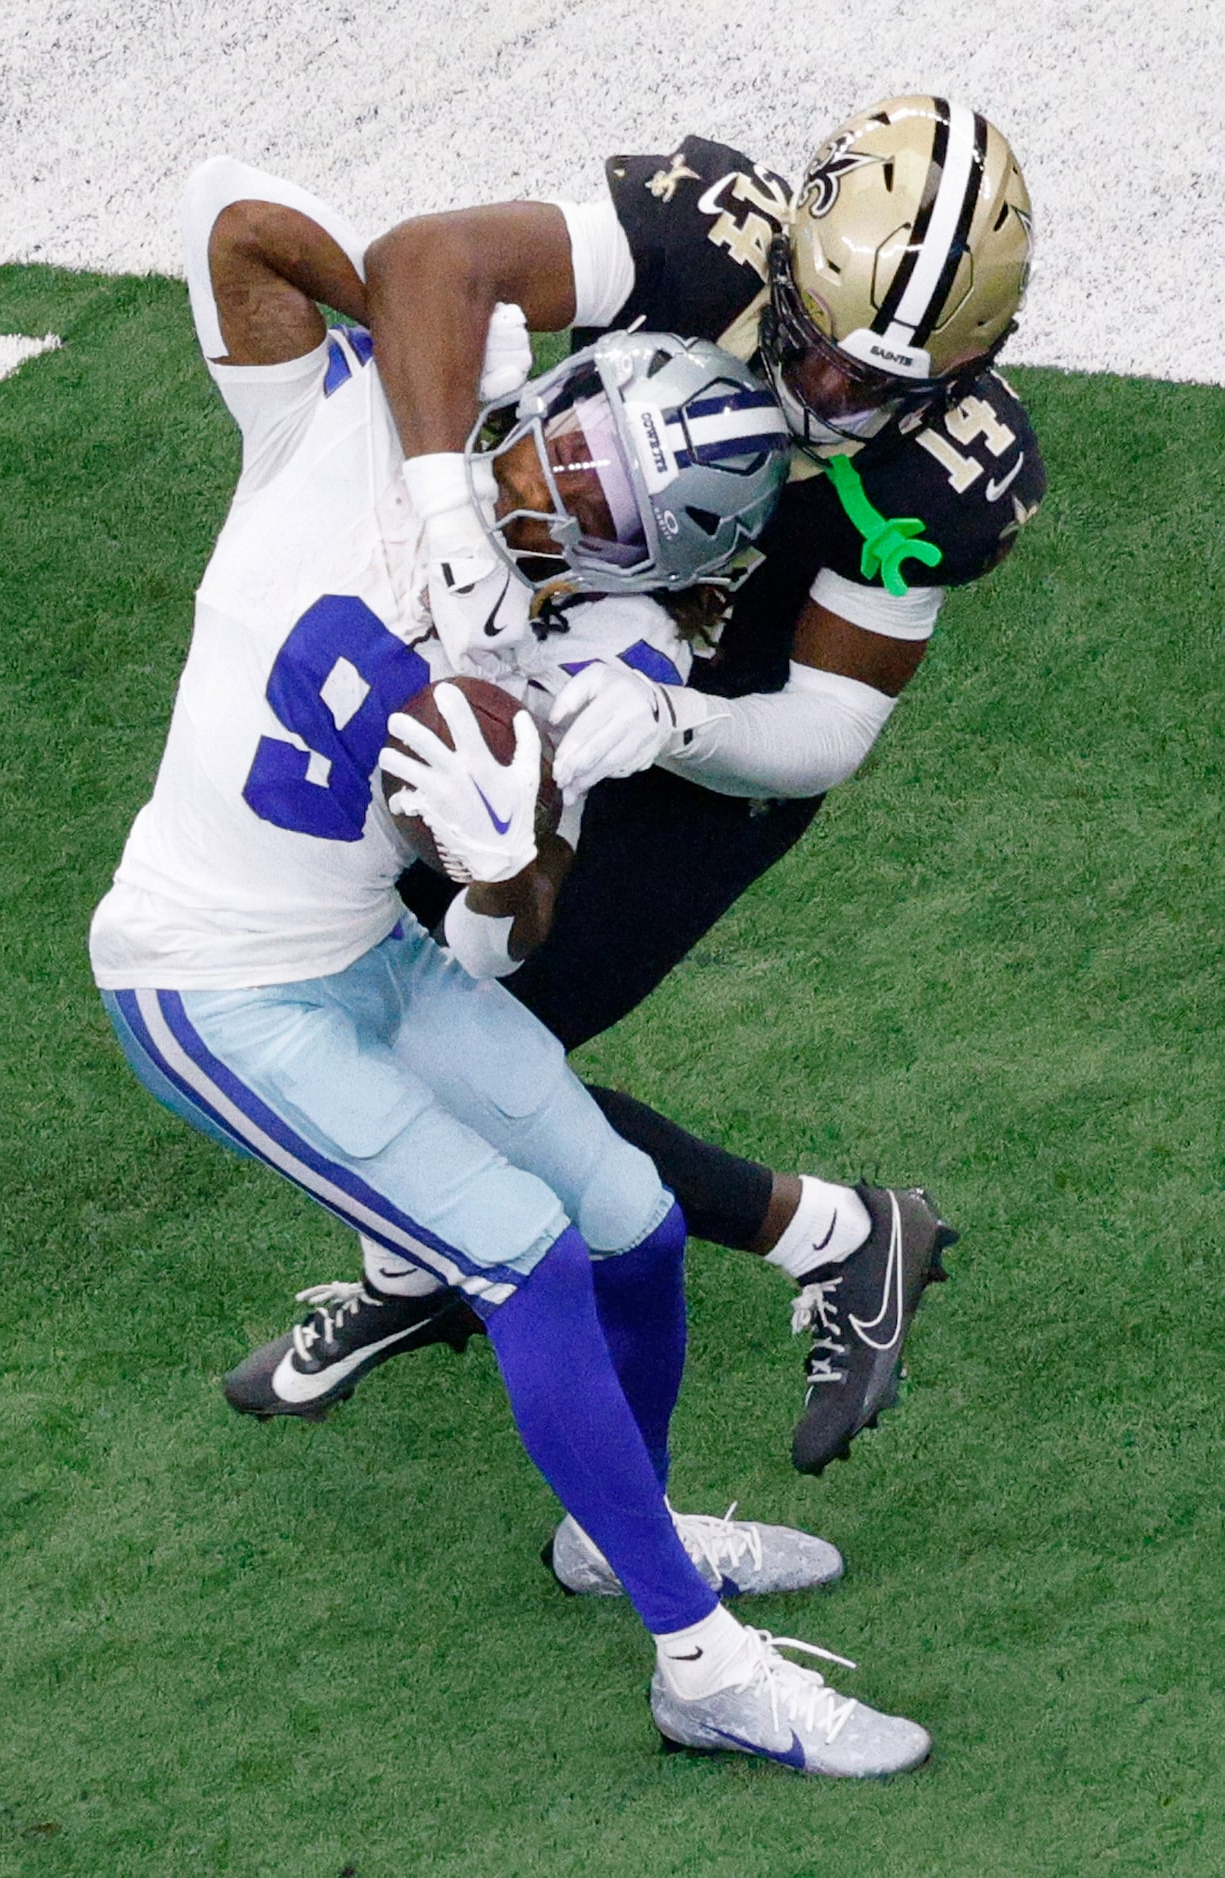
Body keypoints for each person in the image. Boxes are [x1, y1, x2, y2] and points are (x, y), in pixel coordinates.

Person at [88, 155, 931, 1775]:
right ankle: (699, 1659)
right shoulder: (358, 427)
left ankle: (618, 1533)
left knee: (621, 1218)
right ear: (541, 399)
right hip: (208, 980)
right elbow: (240, 217)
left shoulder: (572, 660)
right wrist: (426, 478)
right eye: (543, 451)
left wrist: (507, 864)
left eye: (584, 510)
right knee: (521, 1250)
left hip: (370, 962)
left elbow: (497, 946)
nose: (539, 495)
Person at [229, 95, 1028, 1473]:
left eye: (876, 389)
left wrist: (664, 719)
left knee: (455, 1043)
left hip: (713, 748)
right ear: (781, 262)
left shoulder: (946, 470)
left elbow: (829, 724)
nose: (832, 401)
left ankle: (838, 1236)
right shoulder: (700, 229)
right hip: (537, 621)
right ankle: (422, 1266)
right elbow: (428, 258)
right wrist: (441, 512)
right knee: (353, 960)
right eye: (820, 357)